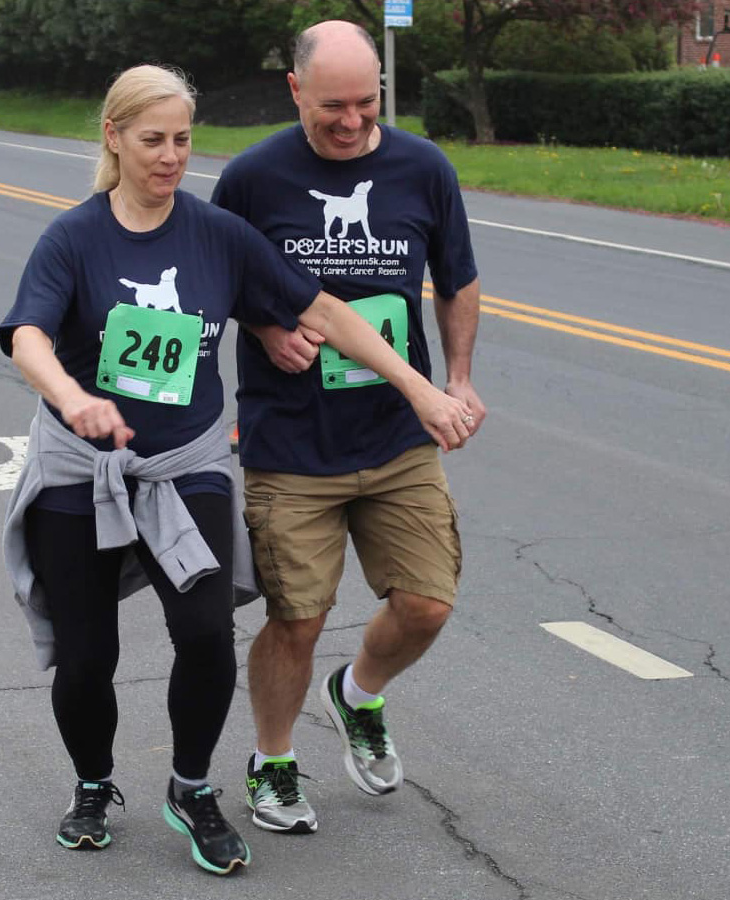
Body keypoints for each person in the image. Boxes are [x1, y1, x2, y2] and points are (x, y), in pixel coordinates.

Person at [0, 64, 474, 875]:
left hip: (187, 468)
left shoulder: (215, 233)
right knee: (85, 658)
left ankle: (191, 788)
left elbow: (320, 310)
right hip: (84, 470)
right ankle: (92, 781)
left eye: (182, 140)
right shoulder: (73, 238)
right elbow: (27, 335)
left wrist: (422, 388)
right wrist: (74, 398)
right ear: (114, 138)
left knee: (207, 640)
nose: (171, 157)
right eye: (153, 141)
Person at [212, 20, 487, 836]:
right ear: (295, 90)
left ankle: (358, 692)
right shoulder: (255, 178)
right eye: (334, 104)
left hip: (396, 433)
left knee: (428, 604)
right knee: (297, 615)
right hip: (292, 441)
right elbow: (213, 279)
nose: (352, 120)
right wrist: (264, 329)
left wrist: (460, 378)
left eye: (368, 102)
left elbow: (457, 277)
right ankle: (273, 761)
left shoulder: (421, 167)